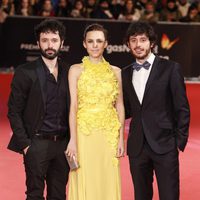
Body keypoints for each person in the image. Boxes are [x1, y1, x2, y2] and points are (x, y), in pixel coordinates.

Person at [122, 21, 190, 200]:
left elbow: (182, 108)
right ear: (128, 44)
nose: (138, 44)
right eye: (133, 40)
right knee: (141, 196)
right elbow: (128, 108)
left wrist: (179, 141)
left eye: (143, 40)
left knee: (169, 196)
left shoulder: (171, 68)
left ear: (151, 43)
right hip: (137, 147)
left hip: (165, 144)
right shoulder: (125, 73)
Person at [7, 19, 70, 200]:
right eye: (45, 40)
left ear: (62, 43)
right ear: (38, 43)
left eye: (54, 40)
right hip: (36, 144)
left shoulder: (70, 72)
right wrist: (26, 145)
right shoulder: (25, 72)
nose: (49, 45)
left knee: (58, 195)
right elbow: (14, 111)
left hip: (62, 146)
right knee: (34, 195)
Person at [65, 23, 125, 200]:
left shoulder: (116, 72)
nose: (95, 45)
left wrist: (121, 137)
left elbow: (120, 106)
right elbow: (73, 106)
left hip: (108, 135)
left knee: (106, 177)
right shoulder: (75, 70)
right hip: (84, 134)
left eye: (99, 41)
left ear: (106, 44)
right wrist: (73, 140)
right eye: (90, 41)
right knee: (85, 175)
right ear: (84, 44)